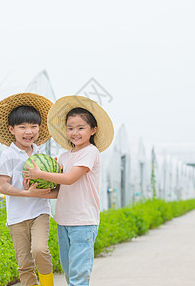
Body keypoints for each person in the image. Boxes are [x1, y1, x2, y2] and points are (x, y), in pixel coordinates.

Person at [23, 95, 114, 286]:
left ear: (93, 130)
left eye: (81, 128)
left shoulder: (90, 152)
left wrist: (41, 172)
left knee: (78, 275)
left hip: (83, 222)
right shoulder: (64, 156)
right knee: (69, 271)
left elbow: (70, 179)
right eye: (71, 128)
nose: (75, 133)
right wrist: (32, 185)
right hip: (64, 220)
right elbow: (59, 190)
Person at [0, 93, 58, 286]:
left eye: (33, 126)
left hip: (39, 211)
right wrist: (27, 193)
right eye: (23, 127)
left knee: (40, 250)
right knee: (24, 263)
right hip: (17, 216)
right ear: (12, 129)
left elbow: (53, 184)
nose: (29, 132)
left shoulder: (42, 154)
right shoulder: (8, 155)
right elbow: (3, 186)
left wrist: (54, 174)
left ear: (39, 128)